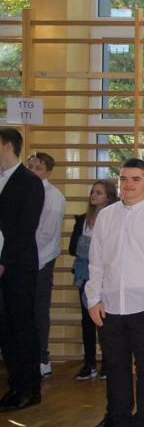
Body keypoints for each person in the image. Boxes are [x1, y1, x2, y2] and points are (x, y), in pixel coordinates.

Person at [86, 159, 144, 427]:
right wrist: (93, 298)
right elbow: (96, 260)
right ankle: (121, 424)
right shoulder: (106, 216)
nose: (129, 184)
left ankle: (143, 426)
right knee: (116, 367)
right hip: (110, 306)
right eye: (124, 179)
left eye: (136, 179)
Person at [0, 127, 46, 412]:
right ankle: (15, 385)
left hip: (18, 266)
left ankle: (30, 388)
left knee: (22, 327)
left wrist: (4, 261)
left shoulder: (29, 182)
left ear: (7, 146)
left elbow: (25, 229)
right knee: (5, 329)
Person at [69, 179, 118, 382]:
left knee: (105, 321)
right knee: (87, 320)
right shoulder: (82, 219)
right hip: (84, 274)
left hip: (106, 275)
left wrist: (92, 250)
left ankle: (107, 363)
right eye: (93, 192)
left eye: (99, 192)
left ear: (108, 196)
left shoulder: (113, 220)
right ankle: (89, 363)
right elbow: (73, 248)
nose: (94, 195)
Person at [25, 151, 66, 380]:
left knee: (39, 310)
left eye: (38, 168)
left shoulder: (53, 196)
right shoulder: (23, 191)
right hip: (19, 260)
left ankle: (42, 358)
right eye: (30, 167)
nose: (33, 171)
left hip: (41, 260)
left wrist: (23, 254)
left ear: (48, 172)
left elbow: (45, 234)